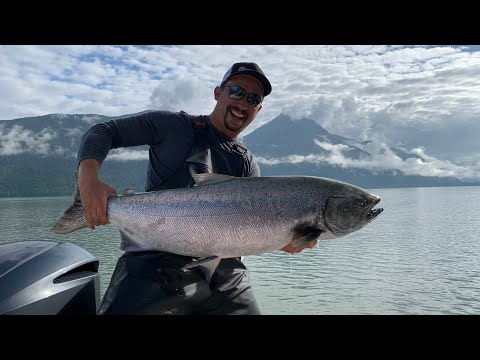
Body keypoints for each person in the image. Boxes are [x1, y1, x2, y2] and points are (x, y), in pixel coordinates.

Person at [76, 62, 317, 315]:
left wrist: (284, 239)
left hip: (225, 273)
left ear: (258, 109)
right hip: (155, 263)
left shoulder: (247, 163)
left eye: (253, 98)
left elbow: (251, 230)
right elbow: (104, 131)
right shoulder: (173, 126)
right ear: (217, 93)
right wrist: (88, 180)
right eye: (236, 91)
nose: (243, 102)